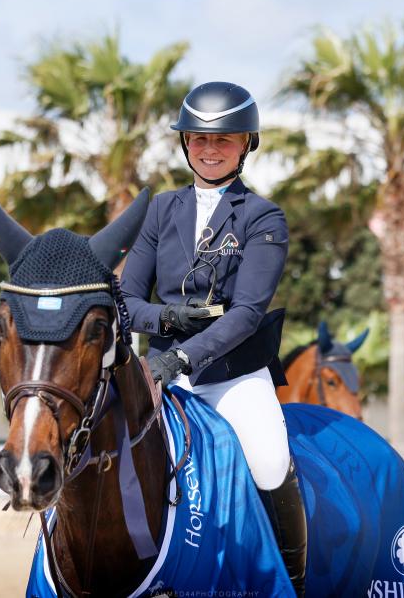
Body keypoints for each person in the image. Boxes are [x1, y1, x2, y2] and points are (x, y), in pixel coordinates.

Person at [120, 81, 307, 594]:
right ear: (185, 144)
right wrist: (167, 321)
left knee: (270, 462)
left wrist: (180, 357)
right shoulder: (160, 210)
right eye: (199, 140)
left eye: (223, 140)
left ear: (246, 143)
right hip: (159, 375)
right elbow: (125, 299)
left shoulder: (263, 216)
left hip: (233, 378)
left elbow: (247, 312)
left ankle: (292, 583)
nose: (209, 149)